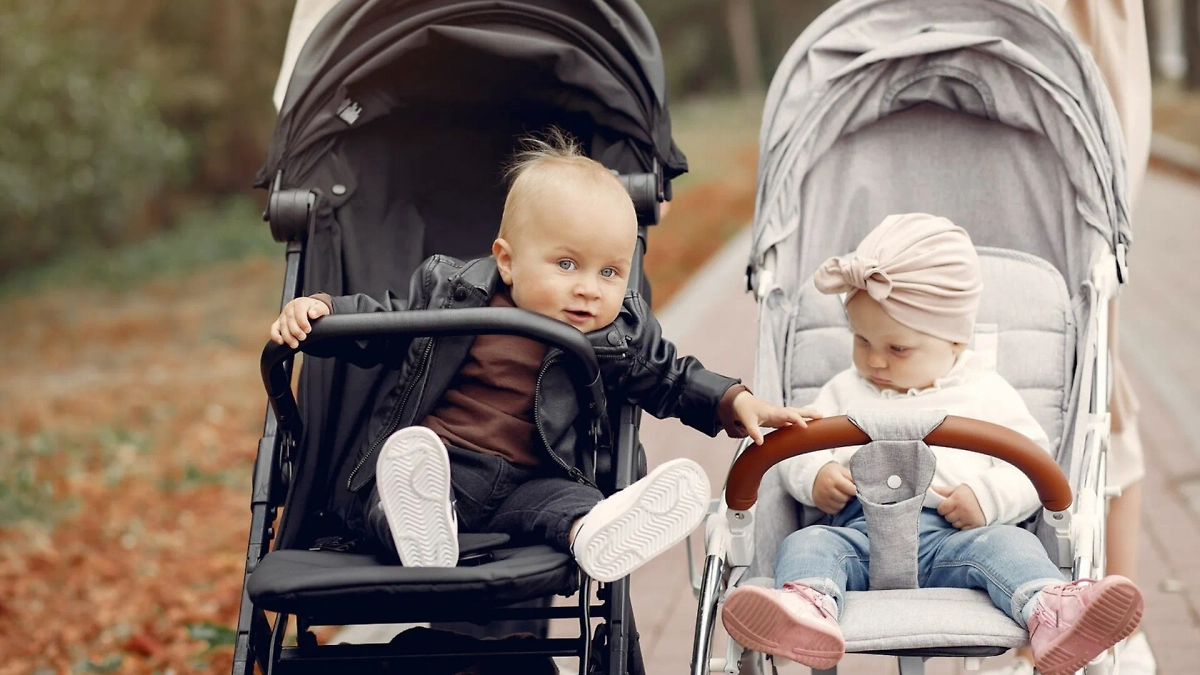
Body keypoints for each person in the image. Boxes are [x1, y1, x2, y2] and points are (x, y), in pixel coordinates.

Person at [270, 129, 819, 583]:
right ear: (507, 261)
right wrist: (323, 311)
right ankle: (424, 530)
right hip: (440, 465)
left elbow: (670, 376)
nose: (588, 289)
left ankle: (598, 530)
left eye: (610, 272)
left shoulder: (616, 334)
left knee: (568, 505)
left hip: (528, 483)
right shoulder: (452, 293)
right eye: (566, 264)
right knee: (397, 491)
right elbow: (382, 322)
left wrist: (732, 399)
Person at [718, 214, 1144, 675]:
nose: (874, 360)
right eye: (861, 340)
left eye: (897, 349)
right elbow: (796, 448)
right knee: (807, 543)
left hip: (956, 541)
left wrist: (987, 497)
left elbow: (1033, 466)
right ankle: (806, 607)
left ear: (956, 341)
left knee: (1009, 545)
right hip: (858, 537)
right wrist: (816, 475)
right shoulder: (844, 388)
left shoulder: (987, 392)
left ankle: (1052, 611)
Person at [985, 2, 1157, 672]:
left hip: (1067, 53)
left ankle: (1114, 622)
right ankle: (1022, 615)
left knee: (1087, 354)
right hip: (972, 55)